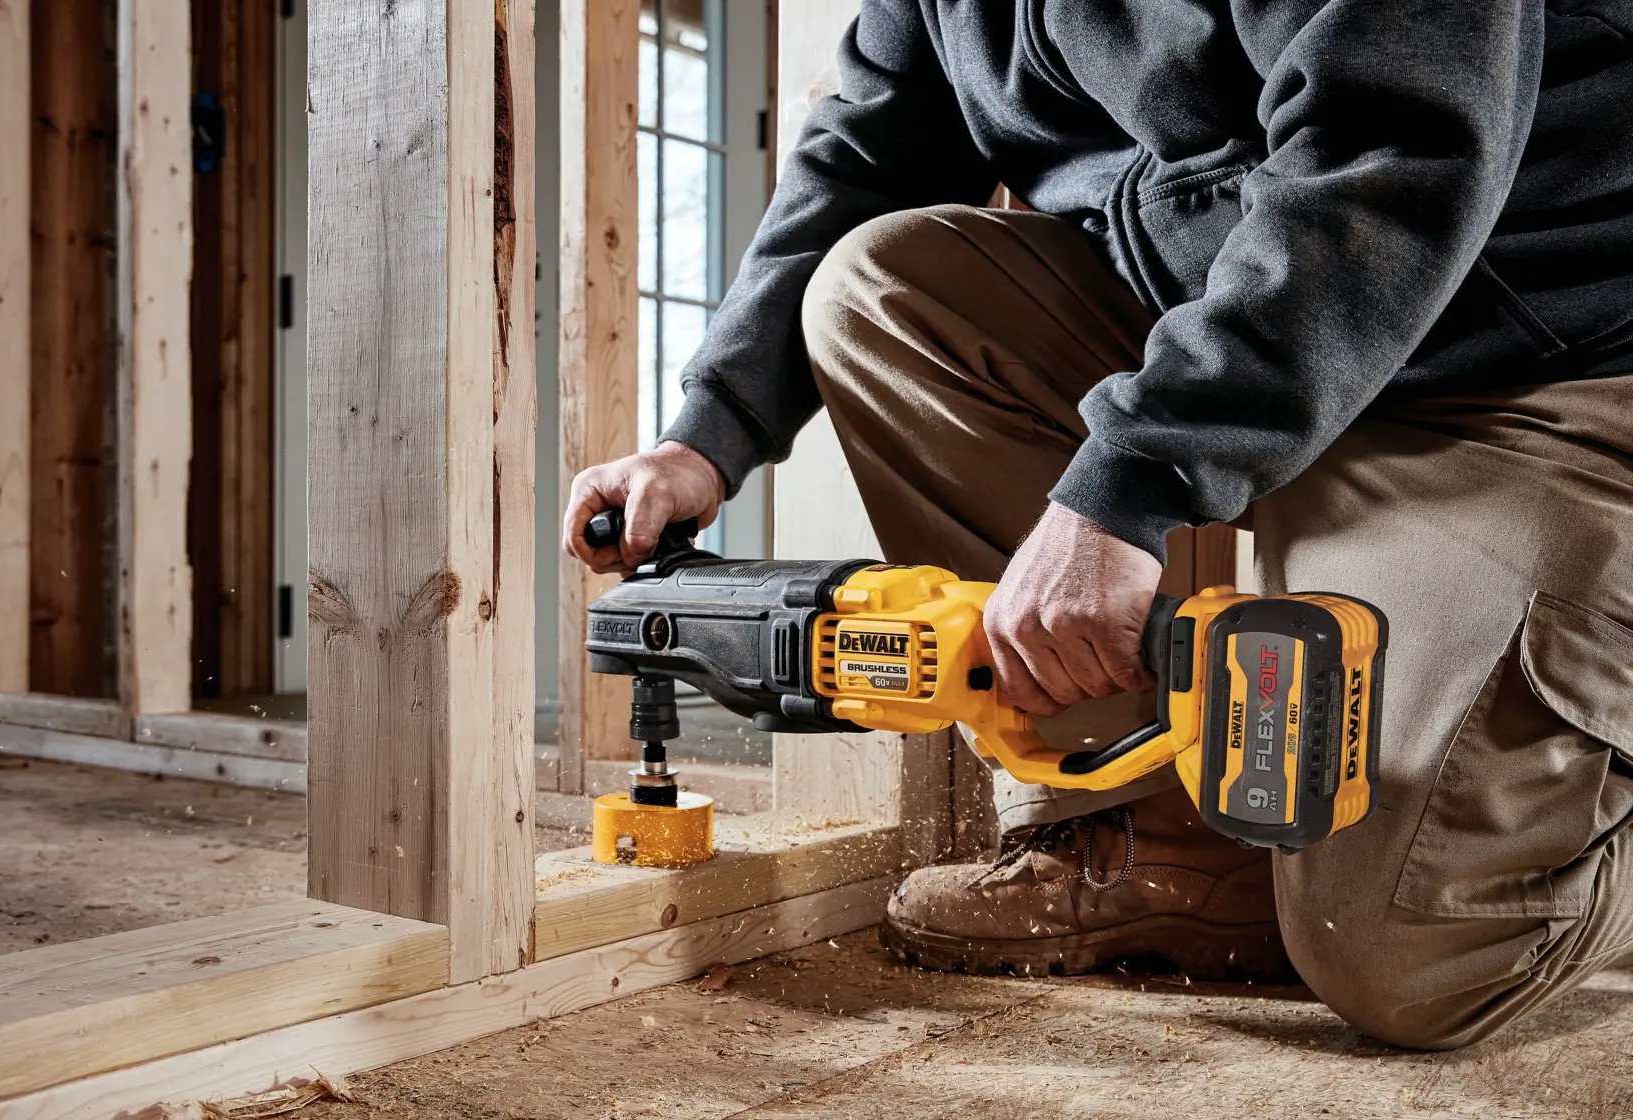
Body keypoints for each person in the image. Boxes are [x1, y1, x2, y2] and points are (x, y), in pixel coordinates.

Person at [564, 1, 1633, 1048]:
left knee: (1419, 952)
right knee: (880, 289)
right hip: (1242, 353)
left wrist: (1133, 477)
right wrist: (705, 435)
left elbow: (1392, 151)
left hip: (1527, 381)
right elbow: (867, 158)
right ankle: (1169, 841)